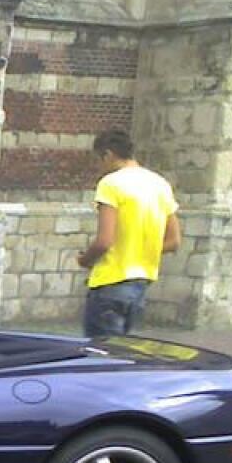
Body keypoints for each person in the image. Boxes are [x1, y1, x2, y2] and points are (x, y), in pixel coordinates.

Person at [76, 129, 182, 337]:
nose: (100, 167)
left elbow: (104, 242)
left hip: (110, 281)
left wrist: (84, 259)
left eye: (99, 160)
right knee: (123, 356)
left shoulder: (111, 184)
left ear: (108, 154)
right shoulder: (160, 184)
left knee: (100, 357)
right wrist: (139, 250)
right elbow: (174, 241)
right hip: (141, 282)